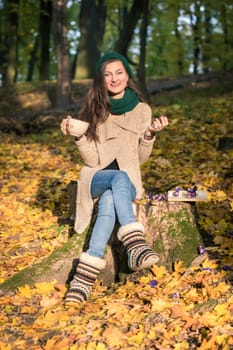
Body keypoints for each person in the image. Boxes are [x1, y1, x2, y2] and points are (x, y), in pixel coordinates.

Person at [60, 52, 168, 303]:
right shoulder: (94, 108)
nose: (114, 78)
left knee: (112, 196)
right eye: (108, 74)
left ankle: (83, 279)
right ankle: (135, 245)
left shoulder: (143, 110)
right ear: (101, 79)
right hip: (96, 176)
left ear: (127, 75)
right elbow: (91, 160)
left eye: (119, 72)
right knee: (114, 179)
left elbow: (139, 159)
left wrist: (149, 135)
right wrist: (78, 137)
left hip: (126, 182)